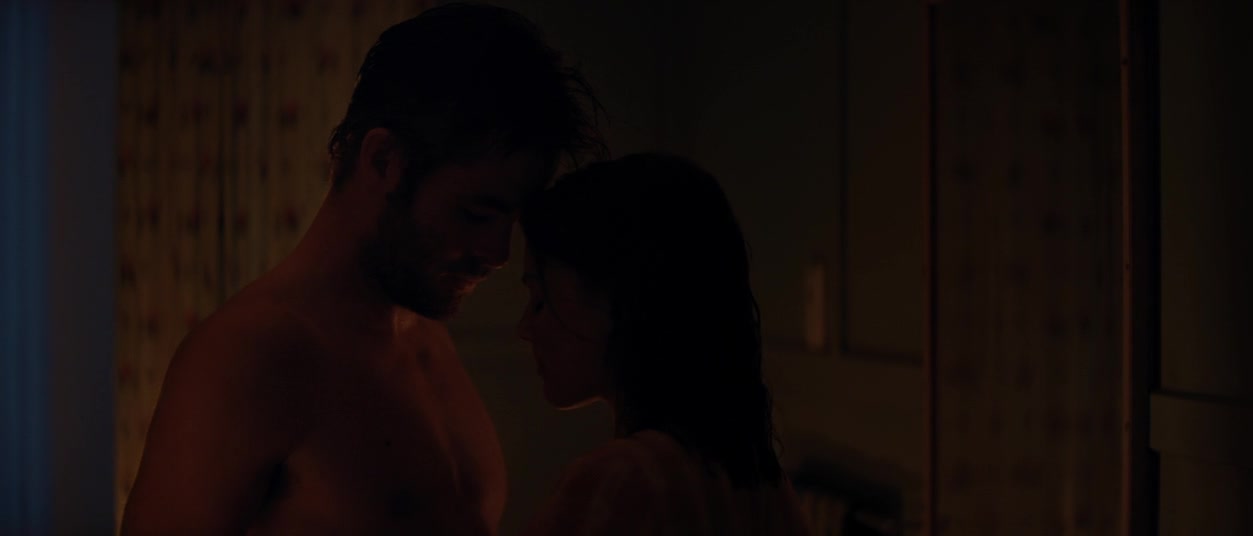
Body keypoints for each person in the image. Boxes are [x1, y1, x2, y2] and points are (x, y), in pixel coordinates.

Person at [121, 4, 603, 534]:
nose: (499, 251)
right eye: (475, 214)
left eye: (511, 219)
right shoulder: (249, 355)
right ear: (383, 161)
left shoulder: (422, 330)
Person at [516, 154, 810, 535]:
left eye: (541, 300)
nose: (525, 328)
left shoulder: (622, 483)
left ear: (618, 300)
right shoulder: (763, 482)